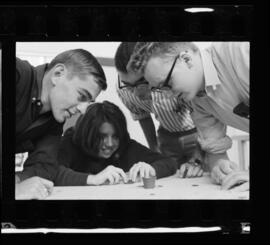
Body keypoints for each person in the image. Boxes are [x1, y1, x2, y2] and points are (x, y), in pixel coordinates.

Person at [127, 42, 249, 191]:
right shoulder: (196, 102)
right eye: (158, 90)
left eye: (167, 84)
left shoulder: (241, 54)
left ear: (186, 59)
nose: (166, 95)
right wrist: (219, 167)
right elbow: (216, 152)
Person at [15, 49, 107, 199]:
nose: (83, 110)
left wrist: (18, 181)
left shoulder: (55, 121)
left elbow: (43, 167)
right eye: (82, 95)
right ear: (58, 74)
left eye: (89, 102)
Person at [114, 42, 204, 179]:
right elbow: (142, 116)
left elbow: (205, 119)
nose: (136, 93)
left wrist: (197, 159)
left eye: (141, 83)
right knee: (169, 180)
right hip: (166, 137)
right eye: (129, 86)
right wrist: (154, 152)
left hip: (198, 133)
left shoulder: (170, 77)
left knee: (201, 176)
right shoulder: (122, 89)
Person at [54, 101, 178, 186]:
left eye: (115, 136)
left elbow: (169, 163)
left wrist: (151, 169)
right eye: (101, 137)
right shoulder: (70, 143)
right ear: (87, 133)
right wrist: (93, 179)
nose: (109, 143)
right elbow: (51, 172)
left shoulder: (126, 145)